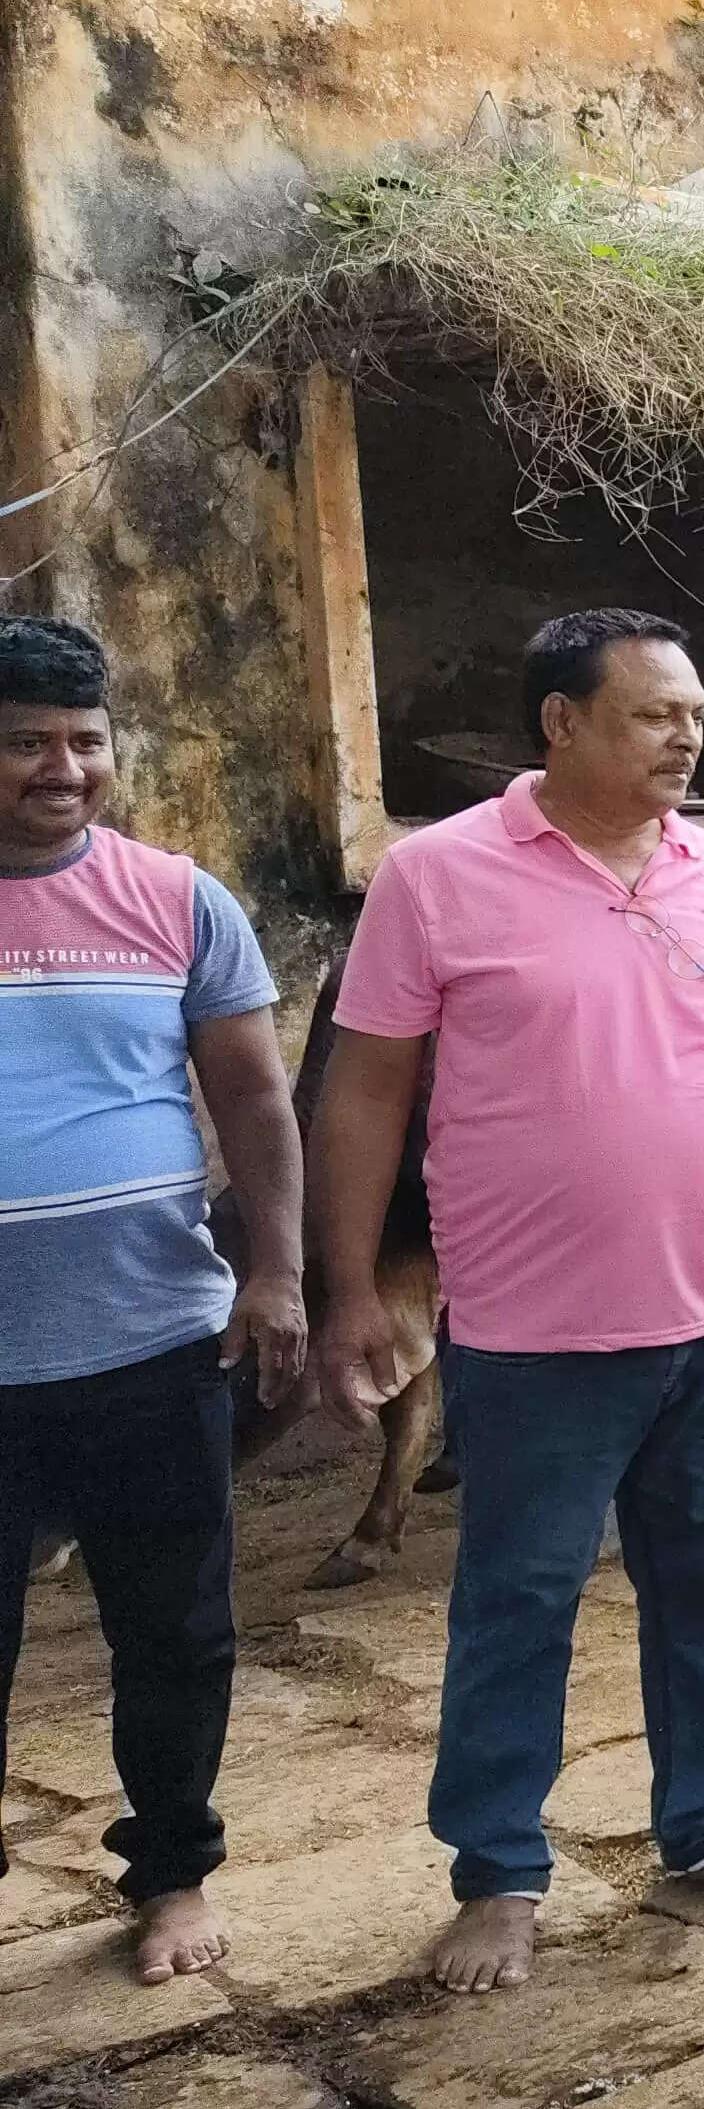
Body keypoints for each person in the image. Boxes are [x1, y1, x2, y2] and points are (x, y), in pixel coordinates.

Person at [312, 608, 704, 1993]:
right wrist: (345, 1290)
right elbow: (367, 1090)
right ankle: (500, 1872)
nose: (687, 735)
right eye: (651, 714)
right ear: (560, 722)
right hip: (534, 1335)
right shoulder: (436, 880)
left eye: (694, 714)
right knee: (518, 1602)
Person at [0, 614, 304, 1986]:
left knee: (175, 1632)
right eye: (22, 744)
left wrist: (280, 1273)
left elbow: (251, 1096)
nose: (61, 769)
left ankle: (172, 1872)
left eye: (84, 742)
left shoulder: (177, 899)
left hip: (150, 1345)